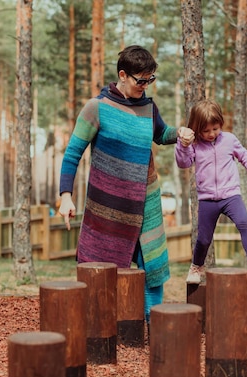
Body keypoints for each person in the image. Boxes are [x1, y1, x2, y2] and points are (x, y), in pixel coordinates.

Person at [58, 45, 195, 321]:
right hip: (108, 204)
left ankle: (150, 326)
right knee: (101, 267)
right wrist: (65, 196)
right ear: (123, 75)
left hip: (146, 199)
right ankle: (100, 326)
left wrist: (178, 133)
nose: (145, 86)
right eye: (140, 80)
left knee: (153, 265)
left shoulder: (148, 107)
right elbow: (73, 153)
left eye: (150, 80)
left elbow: (161, 133)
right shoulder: (96, 108)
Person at [175, 99, 247, 284]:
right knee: (203, 239)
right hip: (207, 199)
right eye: (206, 131)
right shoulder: (194, 144)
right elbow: (183, 163)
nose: (211, 134)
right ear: (197, 128)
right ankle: (196, 268)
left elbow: (244, 155)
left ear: (221, 124)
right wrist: (183, 146)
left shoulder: (229, 139)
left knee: (244, 223)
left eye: (215, 128)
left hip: (230, 195)